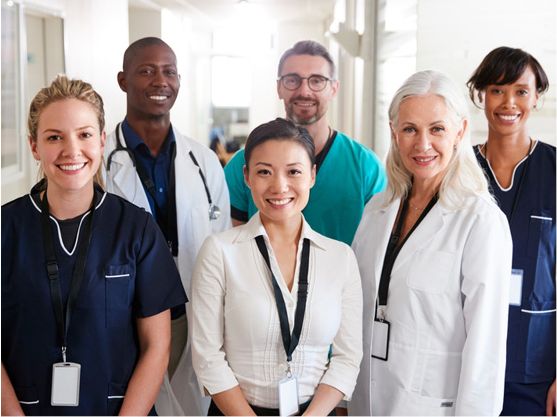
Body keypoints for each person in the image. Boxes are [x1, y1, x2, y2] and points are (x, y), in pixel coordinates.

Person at [1, 75, 186, 416]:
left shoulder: (136, 229)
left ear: (101, 141)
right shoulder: (6, 230)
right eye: (54, 137)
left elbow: (157, 346)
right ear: (34, 146)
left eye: (84, 135)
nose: (72, 150)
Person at [349, 70, 513, 416]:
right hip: (368, 399)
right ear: (394, 132)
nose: (422, 144)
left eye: (436, 129)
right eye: (409, 129)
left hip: (431, 406)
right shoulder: (378, 209)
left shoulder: (480, 221)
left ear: (460, 132)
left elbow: (486, 350)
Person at [191, 118, 363, 416]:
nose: (279, 186)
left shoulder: (340, 258)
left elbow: (348, 357)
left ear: (312, 175)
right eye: (264, 172)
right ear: (246, 177)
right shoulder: (219, 252)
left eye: (293, 171)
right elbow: (207, 356)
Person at [103, 37, 231, 416]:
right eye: (146, 71)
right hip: (126, 314)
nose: (161, 81)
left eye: (169, 71)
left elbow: (222, 244)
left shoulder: (204, 161)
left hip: (191, 313)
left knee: (187, 399)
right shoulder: (99, 162)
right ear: (123, 80)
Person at [224, 40, 386, 245]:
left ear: (334, 88)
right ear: (279, 87)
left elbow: (377, 249)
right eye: (292, 80)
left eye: (317, 80)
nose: (305, 91)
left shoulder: (366, 167)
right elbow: (231, 248)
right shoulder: (244, 164)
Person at [467, 47, 556, 416]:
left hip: (535, 368)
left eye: (521, 91)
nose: (509, 102)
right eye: (498, 90)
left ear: (536, 97)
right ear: (481, 95)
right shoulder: (459, 172)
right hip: (464, 361)